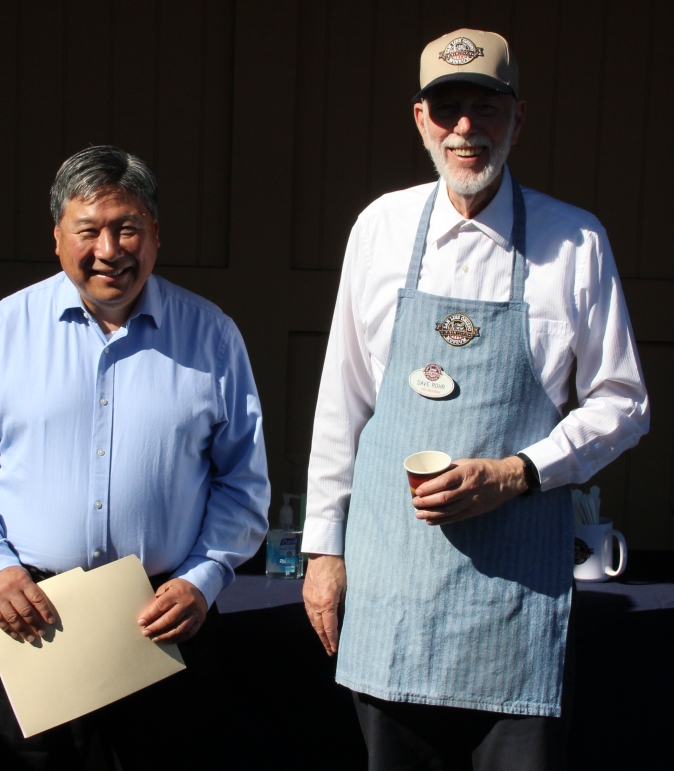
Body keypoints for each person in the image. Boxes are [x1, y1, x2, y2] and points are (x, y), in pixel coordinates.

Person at [301, 28, 648, 770]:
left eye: (485, 107)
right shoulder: (380, 228)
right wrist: (324, 550)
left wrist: (518, 472)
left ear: (518, 118)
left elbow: (623, 401)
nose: (465, 128)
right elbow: (343, 401)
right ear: (420, 120)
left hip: (515, 607)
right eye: (446, 108)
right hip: (392, 595)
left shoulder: (575, 242)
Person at [0, 145, 270, 769]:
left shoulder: (212, 336)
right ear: (57, 238)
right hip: (32, 618)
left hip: (166, 623)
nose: (109, 250)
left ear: (156, 235)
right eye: (88, 230)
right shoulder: (3, 331)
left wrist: (204, 577)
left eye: (127, 228)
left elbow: (242, 483)